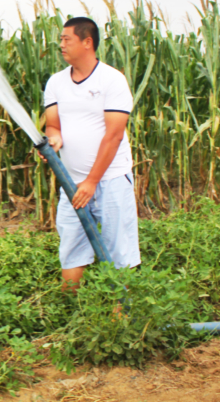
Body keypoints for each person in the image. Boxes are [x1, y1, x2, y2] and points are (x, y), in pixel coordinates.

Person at [41, 17, 140, 291]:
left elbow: (114, 135)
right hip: (72, 183)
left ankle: (120, 316)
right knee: (71, 245)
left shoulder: (112, 80)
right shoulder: (56, 82)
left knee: (120, 250)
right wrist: (54, 140)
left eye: (66, 39)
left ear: (87, 42)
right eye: (60, 39)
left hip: (110, 180)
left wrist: (92, 182)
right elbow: (53, 125)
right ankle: (69, 311)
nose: (60, 44)